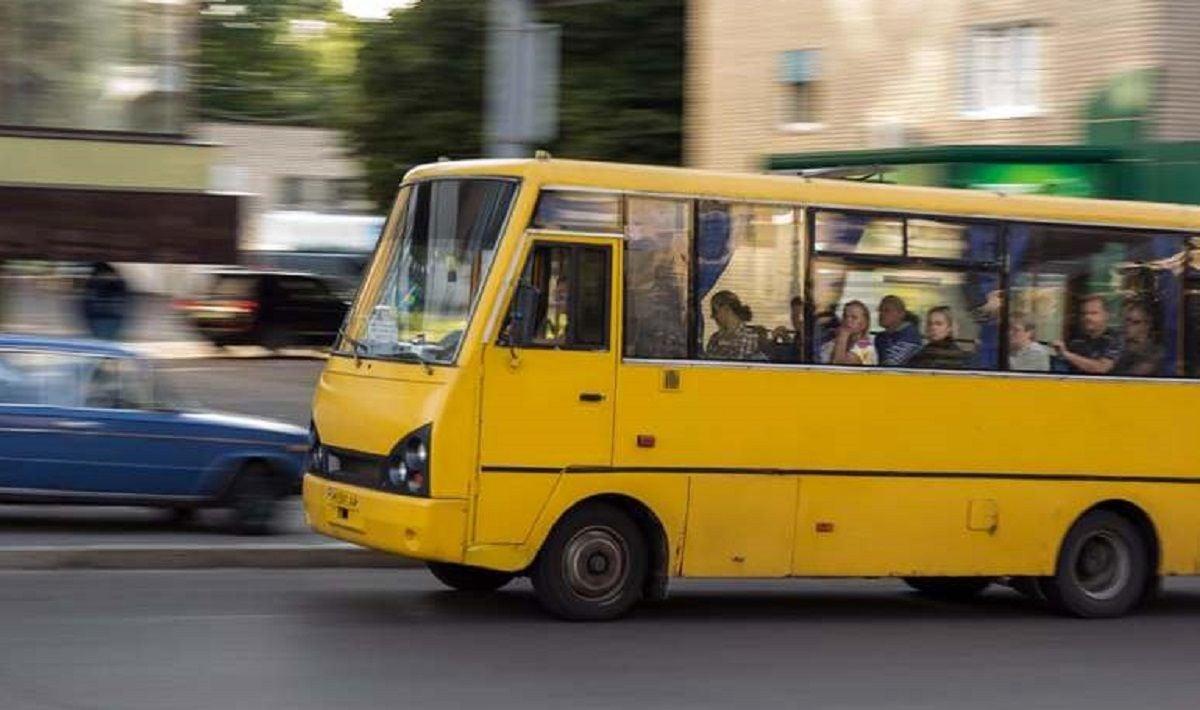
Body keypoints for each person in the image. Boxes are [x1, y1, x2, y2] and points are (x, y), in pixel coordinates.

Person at [1053, 295, 1121, 374]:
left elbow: (1101, 368)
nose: (1087, 317)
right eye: (1084, 313)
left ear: (1106, 315)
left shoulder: (1116, 338)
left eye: (1093, 313)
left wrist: (1066, 354)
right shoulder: (1076, 340)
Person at [705, 290, 765, 360]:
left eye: (715, 311)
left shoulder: (749, 337)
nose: (714, 317)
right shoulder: (715, 338)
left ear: (726, 309)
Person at [1112, 301, 1164, 376]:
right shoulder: (1119, 346)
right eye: (1127, 320)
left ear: (1147, 325)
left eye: (1135, 322)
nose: (1127, 325)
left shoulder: (1155, 353)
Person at [820, 300, 877, 366]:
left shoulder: (865, 345)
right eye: (845, 316)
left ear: (864, 323)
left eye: (854, 317)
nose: (848, 320)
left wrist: (843, 336)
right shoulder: (831, 343)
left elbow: (839, 366)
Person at [874, 294, 922, 366]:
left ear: (901, 314)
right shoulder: (880, 338)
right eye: (880, 310)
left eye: (887, 311)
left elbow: (891, 364)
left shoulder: (910, 335)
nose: (882, 314)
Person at [770, 295, 805, 362]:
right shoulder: (799, 332)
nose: (794, 319)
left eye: (797, 314)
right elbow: (794, 346)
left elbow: (798, 351)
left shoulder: (807, 330)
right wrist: (785, 337)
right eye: (793, 313)